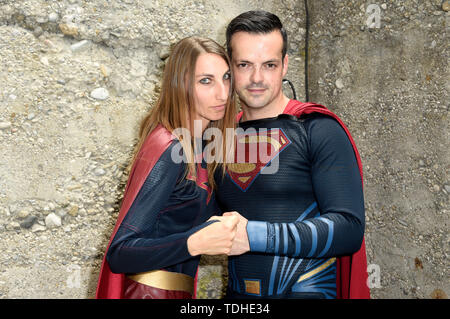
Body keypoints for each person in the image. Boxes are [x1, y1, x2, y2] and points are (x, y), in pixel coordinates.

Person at [214, 10, 370, 299]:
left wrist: (254, 235)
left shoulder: (318, 129)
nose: (257, 78)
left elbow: (349, 228)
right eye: (245, 64)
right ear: (229, 68)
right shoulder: (218, 138)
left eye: (269, 65)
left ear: (284, 65)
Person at [96, 36, 239, 299]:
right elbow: (120, 252)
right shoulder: (169, 147)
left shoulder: (201, 147)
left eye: (226, 77)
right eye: (206, 81)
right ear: (181, 85)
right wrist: (192, 243)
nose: (223, 93)